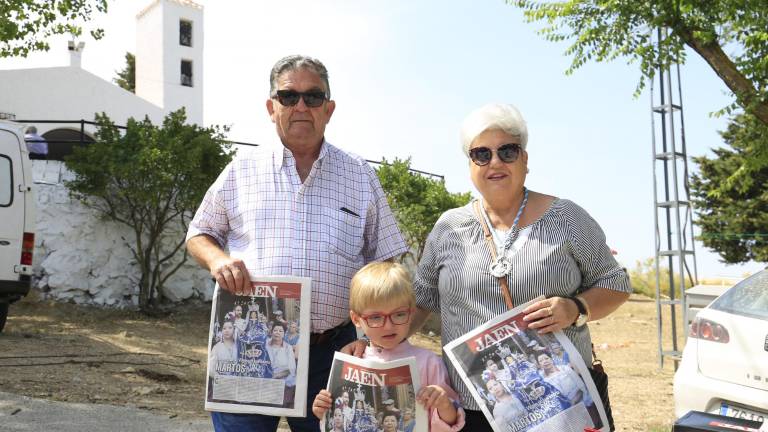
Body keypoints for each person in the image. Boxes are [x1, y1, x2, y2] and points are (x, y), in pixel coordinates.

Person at [186, 54, 407, 432]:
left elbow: (388, 260)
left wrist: (372, 338)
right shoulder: (241, 170)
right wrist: (218, 260)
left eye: (313, 97)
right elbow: (199, 234)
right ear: (272, 108)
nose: (301, 106)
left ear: (329, 109)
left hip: (332, 352)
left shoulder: (360, 175)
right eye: (288, 97)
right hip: (248, 352)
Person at [404, 103, 632, 430]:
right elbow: (421, 299)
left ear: (525, 159)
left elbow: (616, 284)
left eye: (507, 151)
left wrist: (575, 307)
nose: (494, 162)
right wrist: (372, 346)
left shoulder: (567, 217)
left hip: (555, 407)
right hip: (473, 408)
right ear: (470, 165)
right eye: (481, 154)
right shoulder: (448, 227)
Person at [312, 262, 465, 432]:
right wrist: (323, 410)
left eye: (399, 314)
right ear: (356, 319)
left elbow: (450, 423)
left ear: (412, 312)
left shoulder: (429, 362)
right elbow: (335, 422)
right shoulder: (352, 359)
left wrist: (444, 404)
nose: (388, 326)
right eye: (376, 317)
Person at [266, 321, 297, 406]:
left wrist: (277, 376)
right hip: (267, 379)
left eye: (280, 331)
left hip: (283, 380)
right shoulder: (265, 344)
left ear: (284, 334)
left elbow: (292, 369)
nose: (277, 333)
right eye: (275, 330)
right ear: (271, 332)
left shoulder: (288, 347)